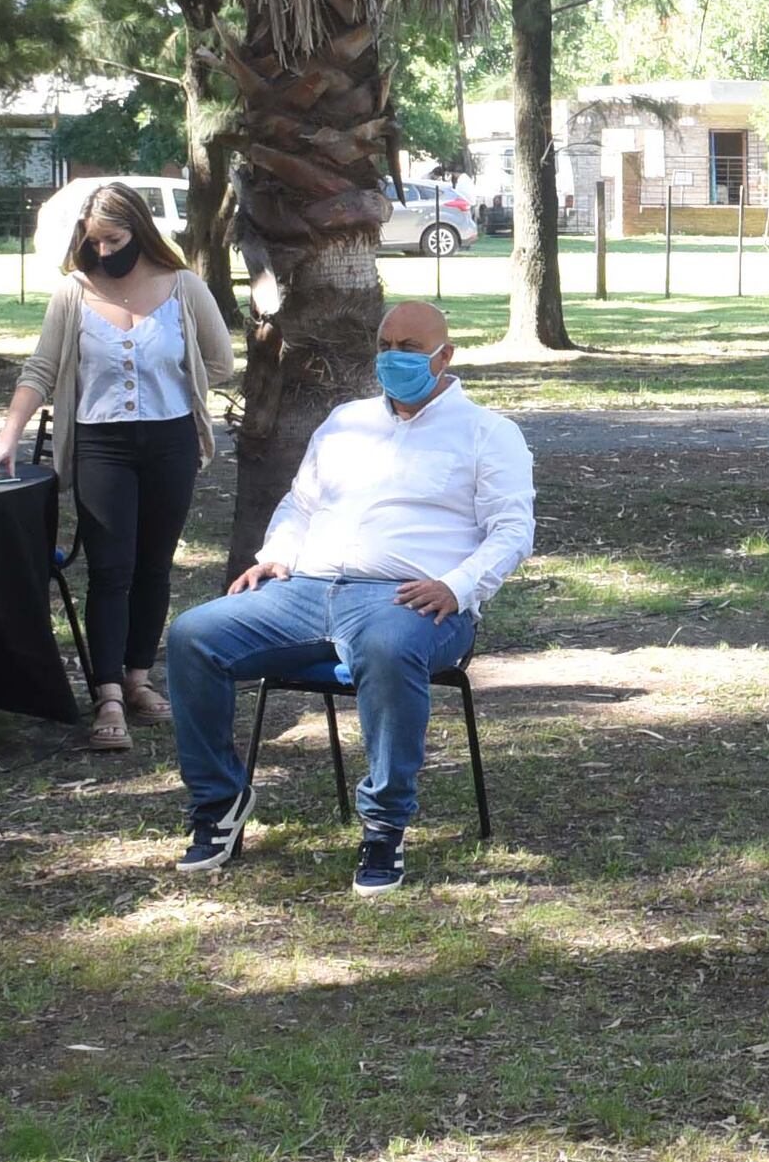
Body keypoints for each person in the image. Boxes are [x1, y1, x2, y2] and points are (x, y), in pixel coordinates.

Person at [161, 300, 533, 896]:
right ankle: (219, 801)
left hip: (412, 600)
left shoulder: (489, 433)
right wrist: (276, 554)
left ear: (445, 356)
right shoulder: (345, 421)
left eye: (409, 349)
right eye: (386, 345)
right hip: (308, 588)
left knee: (387, 647)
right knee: (193, 636)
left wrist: (457, 587)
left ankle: (385, 827)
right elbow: (301, 504)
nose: (393, 358)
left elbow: (513, 531)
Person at [0, 180, 240, 748]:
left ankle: (139, 678)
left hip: (171, 441)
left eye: (113, 240)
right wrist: (7, 438)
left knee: (154, 565)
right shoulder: (72, 293)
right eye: (93, 243)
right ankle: (108, 695)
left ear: (139, 232)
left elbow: (220, 362)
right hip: (101, 444)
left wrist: (176, 381)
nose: (102, 252)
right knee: (110, 568)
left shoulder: (183, 287)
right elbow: (40, 371)